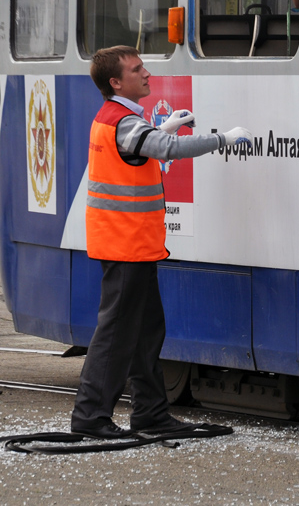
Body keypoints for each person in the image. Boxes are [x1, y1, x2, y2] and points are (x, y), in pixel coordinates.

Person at [70, 45, 254, 439]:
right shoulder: (122, 122)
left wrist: (164, 125)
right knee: (117, 334)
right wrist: (222, 139)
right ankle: (90, 418)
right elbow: (165, 149)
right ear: (117, 82)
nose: (147, 74)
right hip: (125, 247)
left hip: (133, 246)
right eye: (138, 70)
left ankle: (151, 413)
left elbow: (143, 149)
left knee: (145, 332)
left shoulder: (119, 119)